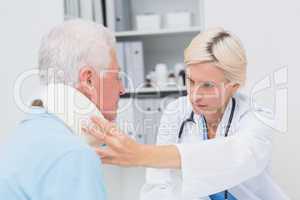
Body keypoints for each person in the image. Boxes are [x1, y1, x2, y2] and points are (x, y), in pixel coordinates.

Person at [85, 28, 289, 200]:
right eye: (190, 81)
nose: (195, 95)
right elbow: (159, 184)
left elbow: (238, 156)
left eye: (208, 85)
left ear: (233, 86)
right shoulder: (176, 112)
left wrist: (141, 154)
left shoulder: (256, 116)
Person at [0, 19, 125, 200]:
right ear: (88, 80)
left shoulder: (20, 138)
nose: (122, 89)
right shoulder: (72, 154)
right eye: (117, 77)